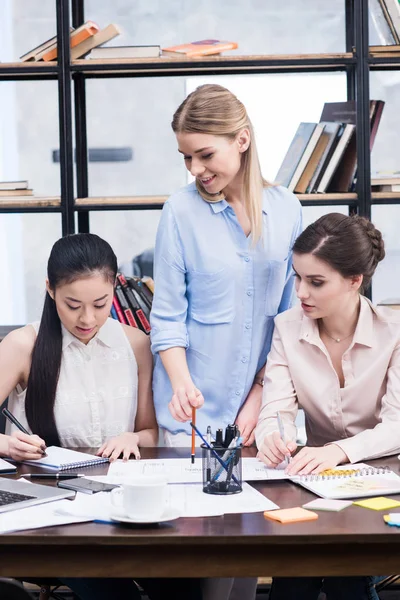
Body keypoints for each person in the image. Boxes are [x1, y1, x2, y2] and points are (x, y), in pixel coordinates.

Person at [150, 83, 302, 600]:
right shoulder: (180, 212)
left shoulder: (287, 210)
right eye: (186, 157)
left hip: (260, 415)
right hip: (192, 416)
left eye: (204, 154)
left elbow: (288, 324)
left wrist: (259, 403)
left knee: (246, 559)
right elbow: (166, 318)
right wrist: (181, 385)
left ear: (242, 140)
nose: (194, 169)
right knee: (204, 569)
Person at [0, 233, 200, 600]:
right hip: (52, 517)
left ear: (115, 289)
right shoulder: (22, 346)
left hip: (124, 506)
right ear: (50, 290)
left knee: (182, 582)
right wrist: (7, 444)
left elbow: (151, 432)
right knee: (112, 592)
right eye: (72, 304)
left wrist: (133, 438)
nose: (87, 318)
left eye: (101, 304)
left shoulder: (137, 343)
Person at [256, 212, 397, 600]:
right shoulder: (287, 327)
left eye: (316, 282)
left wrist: (338, 450)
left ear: (355, 281)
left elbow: (397, 425)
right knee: (293, 575)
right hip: (314, 482)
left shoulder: (394, 333)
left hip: (384, 478)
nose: (301, 292)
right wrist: (270, 436)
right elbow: (276, 407)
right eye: (298, 277)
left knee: (347, 575)